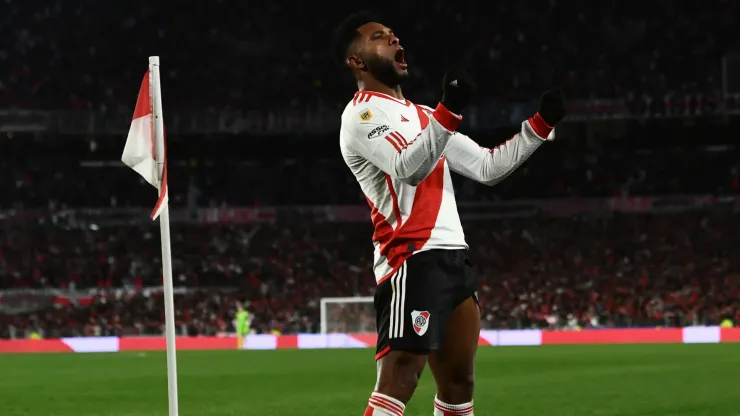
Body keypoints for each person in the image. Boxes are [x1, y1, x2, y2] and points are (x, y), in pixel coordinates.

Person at [332, 11, 567, 416]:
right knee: (399, 379)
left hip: (455, 256)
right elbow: (408, 166)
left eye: (392, 33)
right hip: (411, 257)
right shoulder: (361, 115)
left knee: (459, 385)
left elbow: (487, 167)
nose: (392, 39)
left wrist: (539, 126)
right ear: (356, 60)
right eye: (378, 37)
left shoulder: (424, 116)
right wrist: (448, 112)